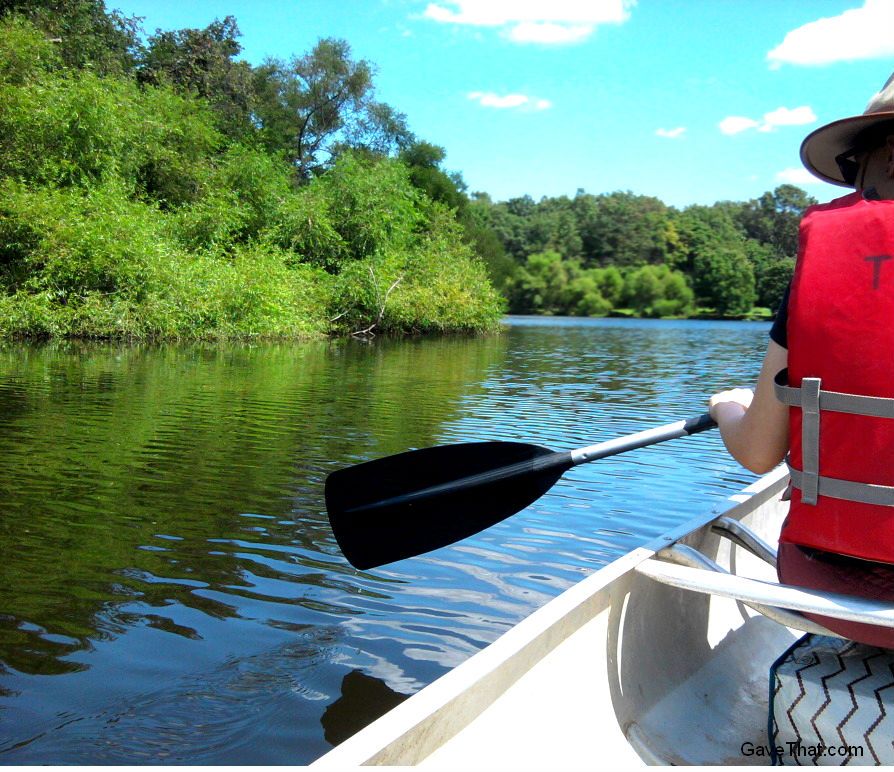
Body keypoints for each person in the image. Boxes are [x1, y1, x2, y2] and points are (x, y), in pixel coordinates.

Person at [709, 71, 894, 648]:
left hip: (834, 588)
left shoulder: (828, 264)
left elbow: (758, 451)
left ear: (867, 166)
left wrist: (724, 407)